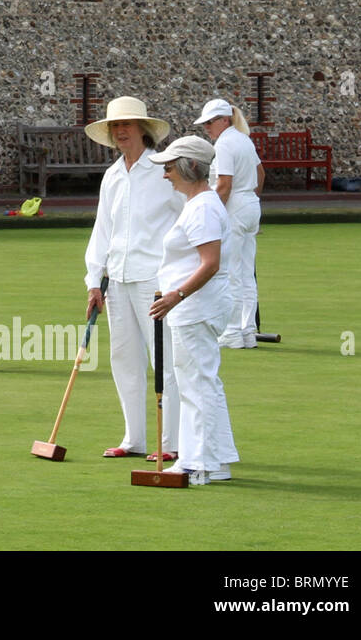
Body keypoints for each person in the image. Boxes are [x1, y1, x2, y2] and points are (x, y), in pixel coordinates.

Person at [83, 97, 183, 461]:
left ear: (143, 129)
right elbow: (102, 231)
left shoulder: (164, 171)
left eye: (127, 124)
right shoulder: (111, 176)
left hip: (154, 279)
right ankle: (134, 439)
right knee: (123, 358)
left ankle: (170, 443)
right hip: (118, 281)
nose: (120, 131)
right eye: (115, 126)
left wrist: (179, 272)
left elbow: (188, 217)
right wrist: (94, 280)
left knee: (165, 359)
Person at [148, 135, 239, 485]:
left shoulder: (202, 207)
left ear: (190, 167)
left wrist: (176, 295)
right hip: (197, 307)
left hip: (196, 307)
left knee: (195, 384)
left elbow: (210, 262)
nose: (166, 174)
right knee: (203, 382)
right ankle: (216, 461)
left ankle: (196, 464)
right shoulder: (199, 203)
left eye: (170, 167)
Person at [195, 98, 264, 349]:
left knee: (233, 271)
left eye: (211, 122)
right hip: (249, 205)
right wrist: (251, 202)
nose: (207, 127)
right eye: (205, 123)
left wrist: (214, 215)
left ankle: (233, 332)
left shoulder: (224, 144)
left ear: (225, 119)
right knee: (246, 272)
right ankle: (247, 331)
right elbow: (261, 174)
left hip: (234, 206)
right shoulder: (244, 139)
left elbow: (224, 185)